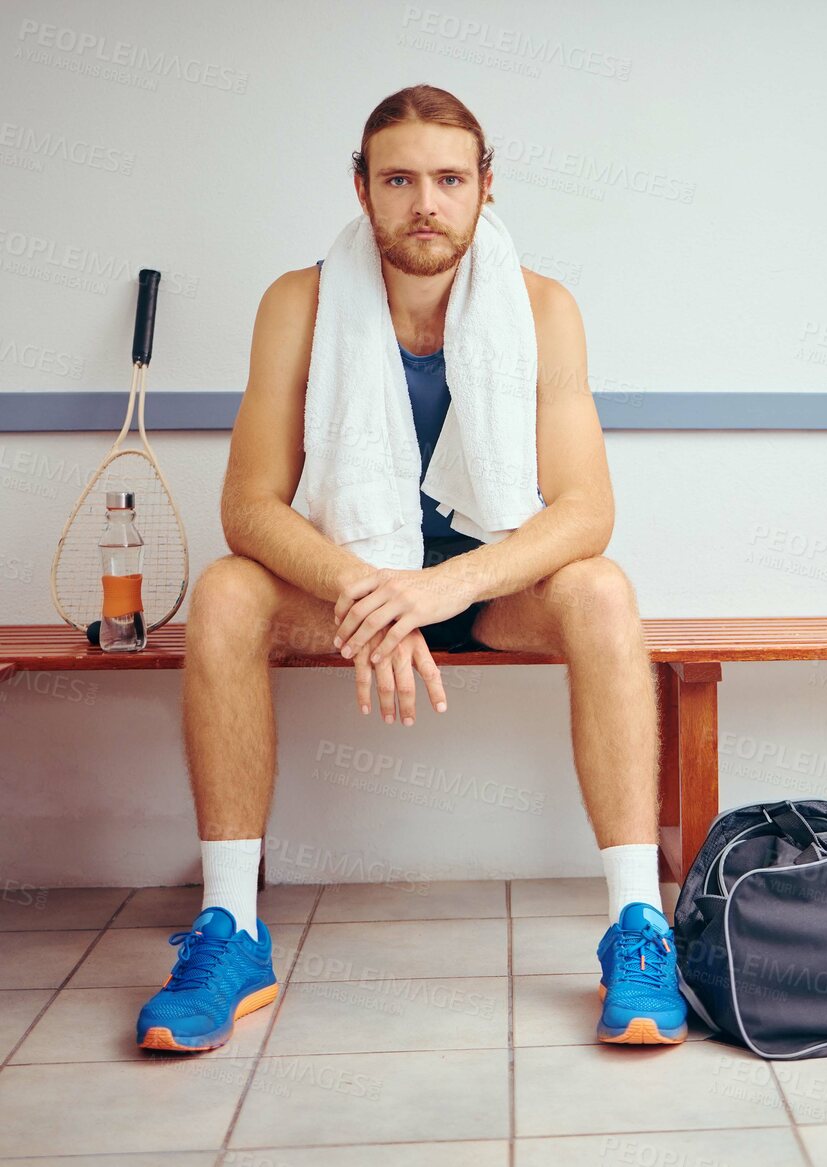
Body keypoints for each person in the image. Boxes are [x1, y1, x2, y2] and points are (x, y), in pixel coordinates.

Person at [134, 86, 687, 1052]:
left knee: (603, 588)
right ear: (361, 188)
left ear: (483, 190)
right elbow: (249, 505)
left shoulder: (543, 308)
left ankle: (638, 928)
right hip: (347, 578)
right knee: (226, 590)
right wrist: (370, 590)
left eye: (446, 179)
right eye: (398, 179)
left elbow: (587, 510)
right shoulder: (298, 302)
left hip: (489, 588)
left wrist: (440, 588)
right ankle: (231, 931)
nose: (424, 201)